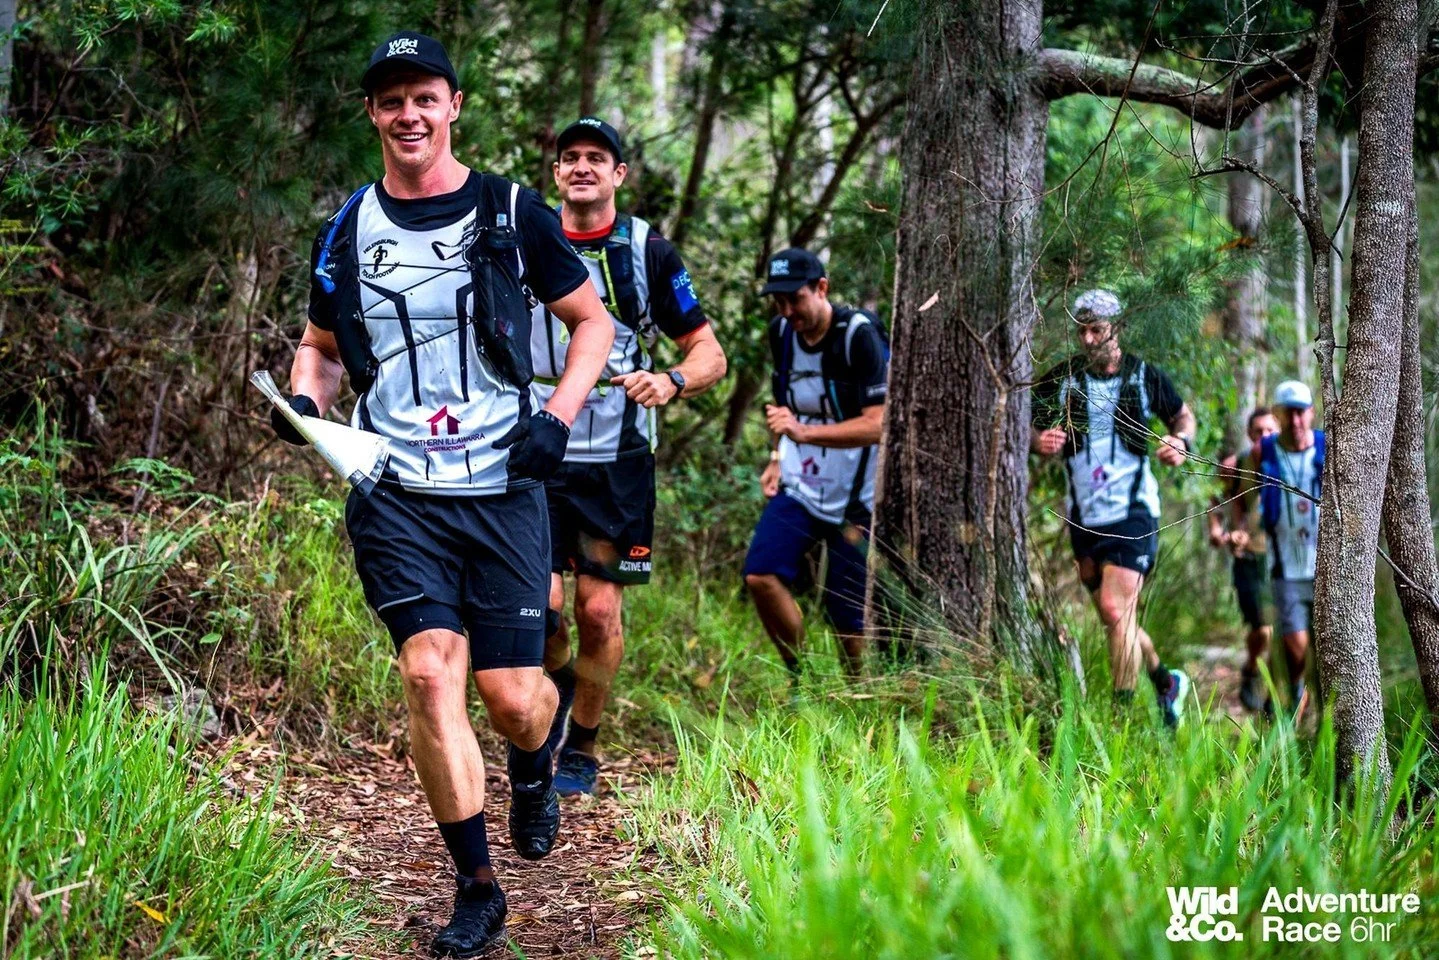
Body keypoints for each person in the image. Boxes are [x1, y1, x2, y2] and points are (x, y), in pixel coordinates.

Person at [270, 33, 614, 958]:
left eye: (425, 97)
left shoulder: (509, 209)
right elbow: (321, 345)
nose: (409, 115)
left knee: (513, 698)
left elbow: (592, 323)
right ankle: (476, 888)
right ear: (373, 116)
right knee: (428, 673)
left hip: (501, 484)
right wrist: (307, 402)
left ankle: (534, 767)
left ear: (453, 106)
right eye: (391, 101)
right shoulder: (348, 224)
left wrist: (558, 413)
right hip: (393, 486)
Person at [534, 116, 727, 796]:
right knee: (541, 609)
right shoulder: (527, 236)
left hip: (616, 458)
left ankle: (582, 745)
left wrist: (671, 379)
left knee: (598, 612)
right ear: (555, 174)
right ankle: (559, 690)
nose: (581, 166)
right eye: (570, 158)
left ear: (618, 175)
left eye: (597, 158)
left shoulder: (646, 251)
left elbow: (708, 352)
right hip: (538, 447)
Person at [1030, 289, 1196, 727]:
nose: (1087, 340)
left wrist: (1180, 442)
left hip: (1133, 510)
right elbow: (1025, 420)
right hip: (1083, 514)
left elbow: (1183, 417)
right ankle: (1165, 682)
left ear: (1116, 329)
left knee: (1112, 609)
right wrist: (1036, 440)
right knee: (1116, 617)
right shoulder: (1063, 379)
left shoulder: (1143, 377)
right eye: (1081, 331)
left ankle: (1120, 725)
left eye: (1096, 330)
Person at [742, 248, 887, 681]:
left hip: (856, 496)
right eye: (779, 302)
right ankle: (802, 678)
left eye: (796, 299)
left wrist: (804, 433)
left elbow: (879, 424)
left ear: (821, 288)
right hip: (801, 485)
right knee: (760, 574)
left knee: (846, 611)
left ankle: (858, 694)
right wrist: (775, 456)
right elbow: (782, 406)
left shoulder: (857, 335)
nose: (788, 311)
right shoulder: (781, 333)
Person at [1231, 381, 1322, 723]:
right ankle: (1295, 693)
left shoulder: (1327, 447)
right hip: (1284, 565)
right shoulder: (1263, 451)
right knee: (1295, 644)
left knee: (1327, 648)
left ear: (1311, 412)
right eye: (1289, 413)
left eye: (1301, 412)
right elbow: (1237, 489)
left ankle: (1317, 713)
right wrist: (1237, 527)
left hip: (1326, 568)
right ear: (1280, 415)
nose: (1296, 420)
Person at [1206, 407, 1279, 712]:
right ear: (1250, 434)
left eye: (1270, 431)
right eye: (1258, 431)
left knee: (1284, 630)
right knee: (1262, 630)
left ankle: (1277, 698)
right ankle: (1250, 669)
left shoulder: (1290, 466)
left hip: (1282, 561)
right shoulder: (1234, 467)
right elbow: (1214, 500)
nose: (1264, 436)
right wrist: (1218, 531)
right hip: (1247, 560)